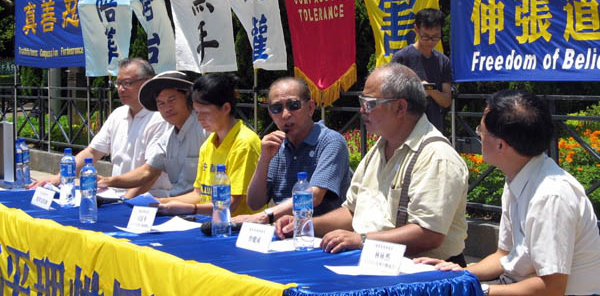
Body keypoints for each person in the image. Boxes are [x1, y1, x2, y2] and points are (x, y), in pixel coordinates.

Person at [416, 90, 600, 296]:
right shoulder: (519, 176)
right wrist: (459, 276)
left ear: (500, 145)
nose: (478, 136)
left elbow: (552, 288)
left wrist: (479, 291)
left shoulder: (551, 196)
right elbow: (503, 256)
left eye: (481, 131)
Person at [275, 63, 468, 262]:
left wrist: (362, 240)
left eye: (370, 103)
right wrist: (305, 224)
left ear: (400, 107)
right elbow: (352, 211)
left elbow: (429, 234)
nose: (362, 110)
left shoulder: (436, 156)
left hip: (424, 272)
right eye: (362, 101)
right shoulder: (381, 147)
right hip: (375, 261)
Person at [31, 58, 170, 197]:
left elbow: (150, 174)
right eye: (118, 83)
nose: (121, 89)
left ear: (147, 83)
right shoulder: (118, 114)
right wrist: (59, 177)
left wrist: (124, 200)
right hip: (116, 193)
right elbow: (92, 152)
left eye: (127, 83)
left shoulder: (160, 118)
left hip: (150, 198)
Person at [234, 77, 351, 225]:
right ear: (270, 114)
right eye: (277, 108)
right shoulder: (276, 146)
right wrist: (263, 160)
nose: (285, 115)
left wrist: (266, 216)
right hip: (281, 228)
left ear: (310, 108)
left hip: (319, 231)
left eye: (293, 105)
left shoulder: (330, 141)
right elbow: (255, 203)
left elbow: (314, 196)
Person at [157, 73, 262, 216]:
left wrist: (191, 209)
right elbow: (198, 194)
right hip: (211, 221)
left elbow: (231, 204)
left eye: (205, 112)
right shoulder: (208, 144)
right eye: (197, 112)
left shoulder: (245, 143)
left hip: (236, 224)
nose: (200, 118)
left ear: (226, 108)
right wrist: (161, 202)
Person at [97, 71, 206, 198]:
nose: (167, 108)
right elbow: (147, 171)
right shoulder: (167, 139)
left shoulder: (205, 130)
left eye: (172, 100)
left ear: (188, 97)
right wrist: (108, 181)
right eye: (161, 103)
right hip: (173, 203)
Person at [391, 8, 452, 132]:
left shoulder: (443, 61)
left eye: (435, 37)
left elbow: (446, 101)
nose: (430, 41)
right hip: (405, 128)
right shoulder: (401, 58)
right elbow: (390, 95)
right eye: (426, 36)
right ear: (416, 29)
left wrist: (431, 90)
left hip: (433, 128)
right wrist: (416, 90)